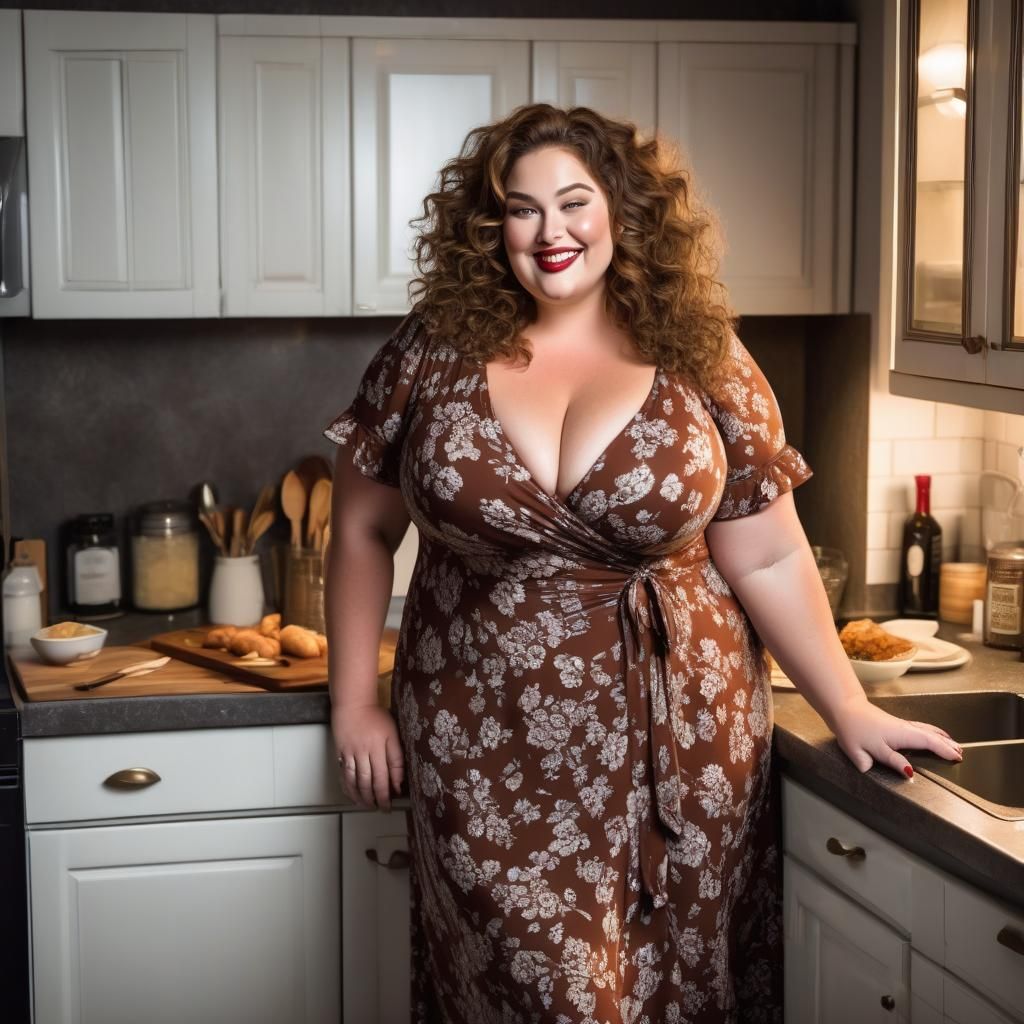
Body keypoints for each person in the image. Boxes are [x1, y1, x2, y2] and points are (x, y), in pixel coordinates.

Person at [322, 103, 963, 1024]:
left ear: (623, 211)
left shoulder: (702, 349)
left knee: (669, 996)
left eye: (574, 203)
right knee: (545, 998)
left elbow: (771, 551)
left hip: (682, 748)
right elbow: (359, 532)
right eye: (521, 208)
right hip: (481, 747)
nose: (551, 232)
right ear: (489, 225)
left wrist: (848, 705)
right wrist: (355, 702)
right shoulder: (432, 348)